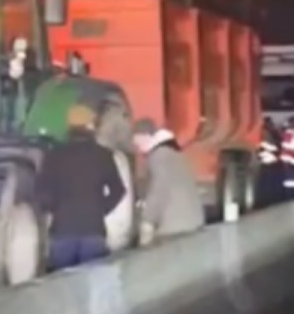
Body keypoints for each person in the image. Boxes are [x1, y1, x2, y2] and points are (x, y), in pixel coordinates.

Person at [37, 105, 126, 271]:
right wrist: (101, 208)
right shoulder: (102, 155)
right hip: (93, 230)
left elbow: (42, 194)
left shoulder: (54, 155)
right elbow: (119, 190)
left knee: (62, 286)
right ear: (90, 126)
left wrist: (55, 208)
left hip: (62, 231)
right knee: (93, 284)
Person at [131, 118, 205, 246]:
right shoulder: (174, 154)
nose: (138, 149)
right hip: (192, 224)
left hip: (174, 230)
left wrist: (148, 220)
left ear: (146, 136)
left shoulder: (159, 156)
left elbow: (158, 190)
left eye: (138, 143)